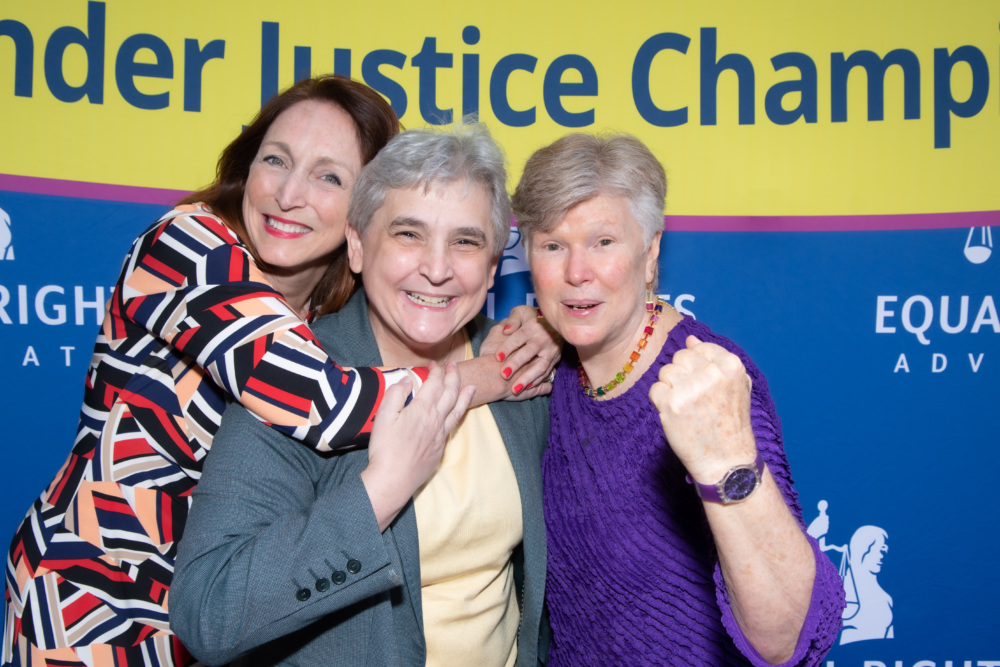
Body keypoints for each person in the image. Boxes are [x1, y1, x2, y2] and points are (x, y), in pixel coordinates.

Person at [2, 76, 555, 667]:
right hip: (97, 593)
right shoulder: (187, 247)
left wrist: (543, 327)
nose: (290, 193)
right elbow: (327, 398)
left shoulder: (318, 309)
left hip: (220, 612)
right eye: (276, 159)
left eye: (329, 176)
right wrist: (492, 374)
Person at [169, 122, 550, 666]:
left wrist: (556, 329)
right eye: (407, 233)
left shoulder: (518, 364)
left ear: (492, 269)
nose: (437, 269)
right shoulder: (296, 382)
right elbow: (208, 610)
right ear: (356, 245)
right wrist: (380, 491)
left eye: (465, 242)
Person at [511, 133, 846, 666]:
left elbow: (790, 638)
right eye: (553, 245)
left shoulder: (706, 380)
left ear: (651, 253)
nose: (577, 272)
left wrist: (728, 461)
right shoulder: (564, 365)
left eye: (603, 242)